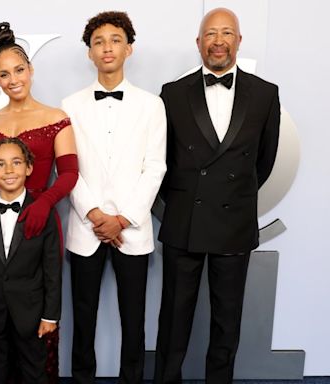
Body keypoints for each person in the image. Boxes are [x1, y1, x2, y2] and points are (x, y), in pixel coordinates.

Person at [154, 8, 280, 383]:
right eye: (210, 34)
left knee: (227, 322)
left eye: (227, 33)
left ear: (239, 41)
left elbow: (264, 161)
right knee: (174, 320)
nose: (219, 41)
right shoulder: (173, 93)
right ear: (198, 43)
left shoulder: (265, 93)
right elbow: (162, 161)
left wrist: (235, 195)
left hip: (234, 222)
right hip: (184, 221)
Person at [0, 22, 78, 383]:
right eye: (3, 74)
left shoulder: (56, 118)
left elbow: (71, 175)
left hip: (39, 223)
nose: (13, 79)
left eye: (18, 70)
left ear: (30, 71)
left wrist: (44, 204)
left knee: (35, 334)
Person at [62, 11, 167, 384]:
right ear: (89, 52)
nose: (107, 48)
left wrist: (121, 218)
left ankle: (132, 379)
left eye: (115, 40)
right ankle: (82, 378)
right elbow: (68, 169)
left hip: (132, 230)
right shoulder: (70, 105)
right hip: (85, 229)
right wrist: (94, 214)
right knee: (83, 315)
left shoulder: (152, 105)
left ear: (129, 48)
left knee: (134, 318)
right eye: (98, 42)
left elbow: (155, 167)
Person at [0, 137, 61, 384]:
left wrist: (50, 315)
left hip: (31, 311)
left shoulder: (44, 213)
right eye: (0, 164)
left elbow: (52, 269)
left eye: (16, 163)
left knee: (34, 372)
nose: (9, 170)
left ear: (29, 168)